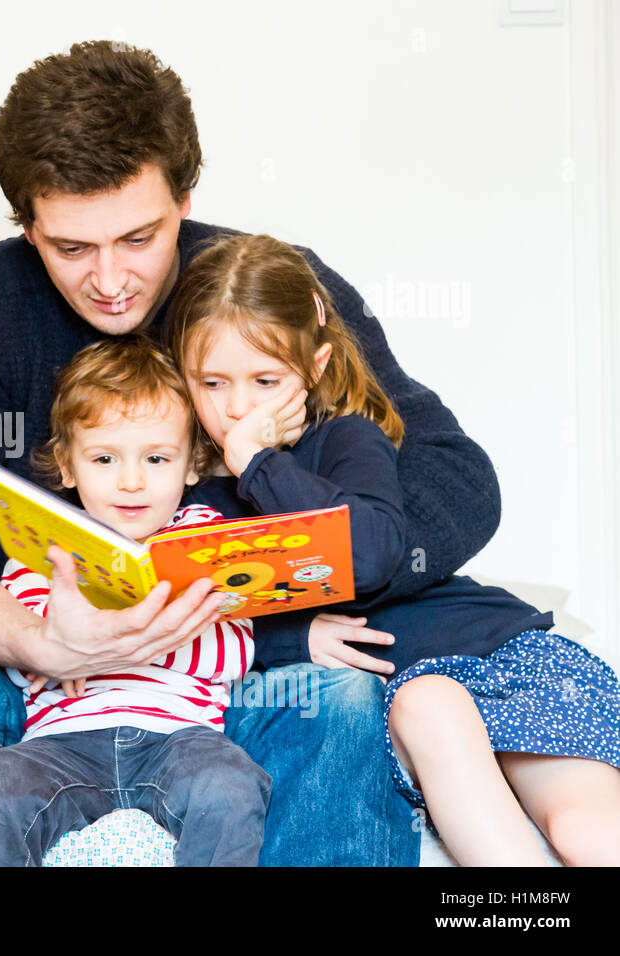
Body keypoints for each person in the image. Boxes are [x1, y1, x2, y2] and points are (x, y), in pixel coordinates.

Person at [0, 41, 498, 867]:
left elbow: (454, 480)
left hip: (234, 678)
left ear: (186, 200)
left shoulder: (261, 289)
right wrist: (38, 643)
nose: (110, 280)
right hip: (36, 682)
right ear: (26, 224)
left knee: (339, 697)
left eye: (139, 237)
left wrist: (272, 593)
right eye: (71, 248)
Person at [170, 231, 620, 867]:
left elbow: (374, 551)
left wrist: (259, 463)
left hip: (485, 651)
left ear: (315, 369)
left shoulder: (348, 441)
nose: (238, 407)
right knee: (426, 702)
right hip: (413, 706)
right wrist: (292, 642)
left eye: (264, 380)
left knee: (582, 832)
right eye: (213, 383)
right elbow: (194, 628)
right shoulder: (192, 503)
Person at [0, 336, 270, 866]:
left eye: (156, 458)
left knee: (231, 784)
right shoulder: (42, 549)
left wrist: (98, 646)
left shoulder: (205, 538)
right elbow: (26, 663)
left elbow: (232, 654)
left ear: (192, 465)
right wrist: (161, 631)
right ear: (68, 466)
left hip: (180, 741)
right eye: (104, 458)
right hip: (62, 745)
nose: (131, 480)